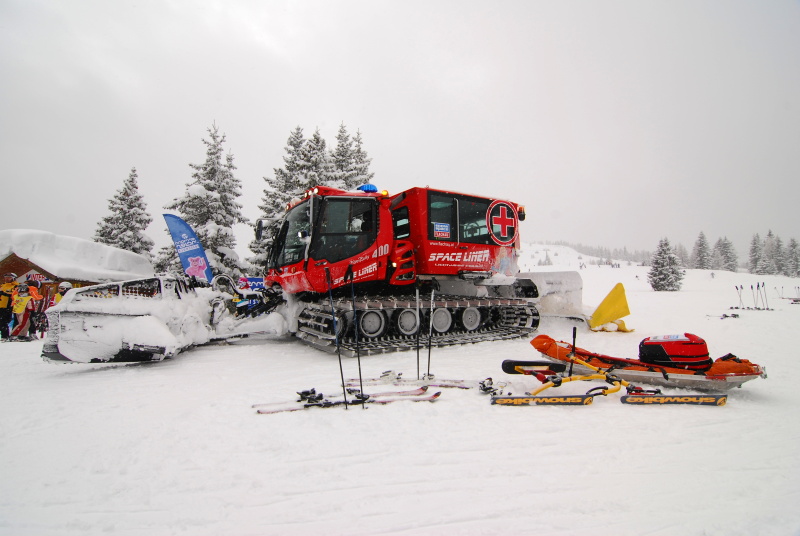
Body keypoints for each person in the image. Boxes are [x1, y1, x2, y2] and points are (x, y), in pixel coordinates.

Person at [0, 273, 17, 339]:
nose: (7, 278)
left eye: (9, 277)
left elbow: (14, 295)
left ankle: (5, 336)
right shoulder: (2, 285)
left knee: (4, 321)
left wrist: (4, 293)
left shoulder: (15, 286)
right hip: (1, 305)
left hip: (8, 306)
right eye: (6, 277)